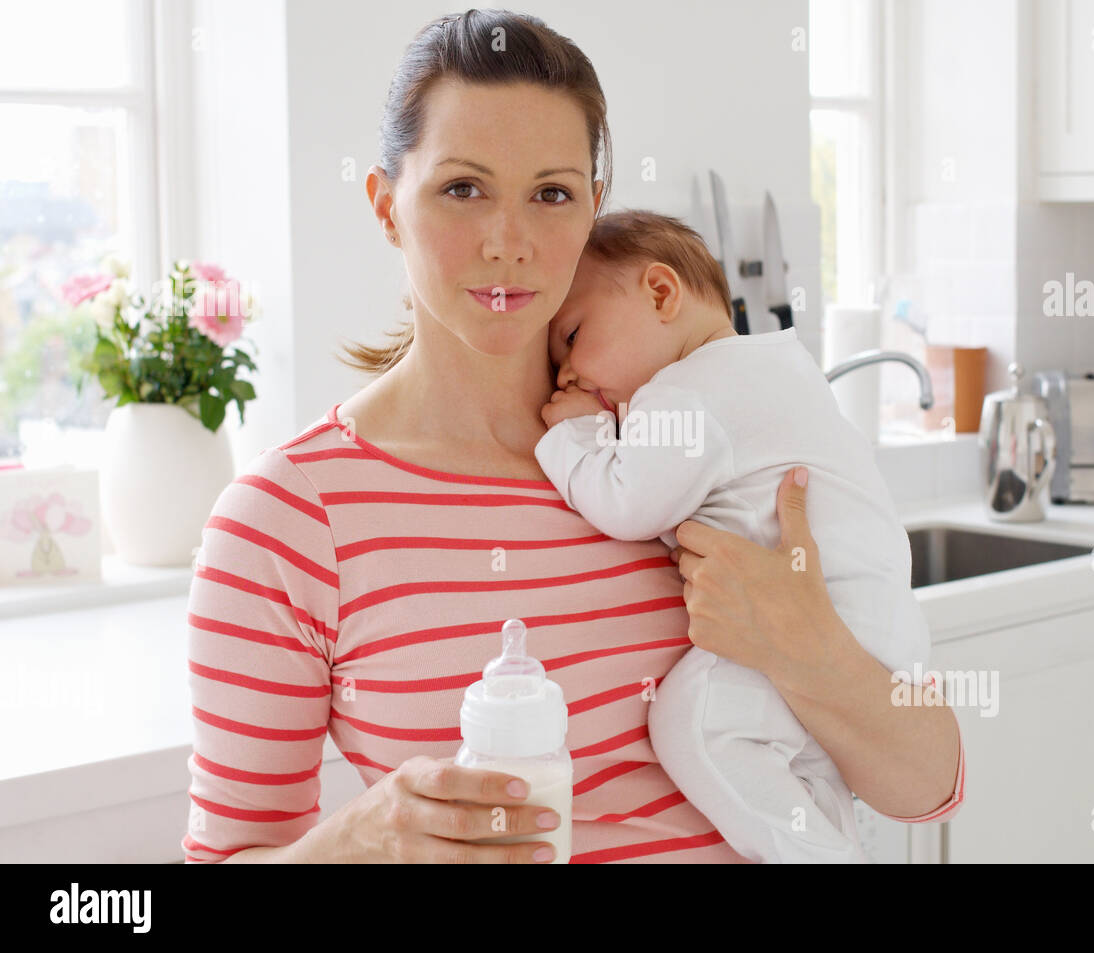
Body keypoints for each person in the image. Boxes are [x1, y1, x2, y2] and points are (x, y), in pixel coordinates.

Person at [181, 8, 963, 865]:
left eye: (551, 193)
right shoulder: (290, 519)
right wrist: (361, 842)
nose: (509, 242)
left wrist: (806, 646)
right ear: (385, 205)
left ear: (592, 209)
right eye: (462, 188)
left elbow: (925, 788)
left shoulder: (686, 450)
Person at [532, 210, 959, 862]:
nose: (564, 373)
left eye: (573, 336)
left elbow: (625, 502)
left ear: (660, 293)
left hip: (830, 620)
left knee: (691, 721)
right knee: (807, 778)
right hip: (877, 632)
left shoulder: (686, 393)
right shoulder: (774, 364)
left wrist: (574, 436)